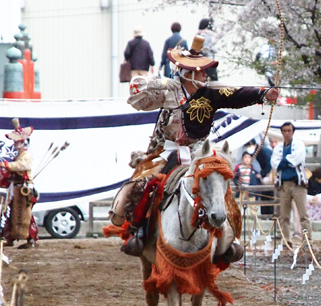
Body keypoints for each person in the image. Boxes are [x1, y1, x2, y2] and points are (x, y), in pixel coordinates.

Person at [110, 35, 280, 256]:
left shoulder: (211, 93)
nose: (205, 74)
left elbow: (237, 94)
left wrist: (263, 94)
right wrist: (162, 82)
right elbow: (135, 90)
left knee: (219, 182)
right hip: (166, 149)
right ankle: (139, 232)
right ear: (188, 74)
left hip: (200, 151)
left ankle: (229, 237)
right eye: (200, 71)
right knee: (144, 184)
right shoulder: (169, 90)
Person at [271, 122, 312, 247]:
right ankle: (286, 240)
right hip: (284, 184)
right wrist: (285, 162)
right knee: (284, 215)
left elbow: (296, 159)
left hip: (297, 183)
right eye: (285, 131)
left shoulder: (299, 144)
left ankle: (307, 240)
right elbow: (274, 162)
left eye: (289, 130)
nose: (287, 133)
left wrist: (283, 162)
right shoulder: (278, 147)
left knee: (303, 214)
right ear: (282, 132)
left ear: (292, 132)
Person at [0, 119, 38, 248]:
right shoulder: (20, 154)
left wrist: (6, 165)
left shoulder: (26, 155)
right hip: (16, 188)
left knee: (26, 214)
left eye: (17, 141)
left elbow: (21, 166)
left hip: (24, 188)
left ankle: (31, 239)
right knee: (12, 212)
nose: (15, 144)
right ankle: (10, 237)